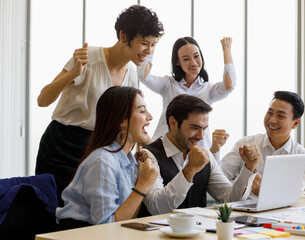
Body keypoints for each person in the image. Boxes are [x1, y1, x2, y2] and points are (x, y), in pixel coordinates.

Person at [35, 5, 164, 206]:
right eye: (144, 44)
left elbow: (125, 121)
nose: (149, 51)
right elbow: (42, 100)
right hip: (62, 145)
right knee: (54, 212)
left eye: (154, 45)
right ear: (123, 36)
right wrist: (73, 74)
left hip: (97, 148)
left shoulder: (131, 74)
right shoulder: (89, 58)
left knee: (88, 214)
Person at [56, 86, 158, 229]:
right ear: (122, 120)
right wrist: (143, 185)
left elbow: (127, 219)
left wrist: (141, 180)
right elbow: (105, 227)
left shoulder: (129, 160)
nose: (150, 117)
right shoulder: (103, 162)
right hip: (79, 234)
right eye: (142, 111)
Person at [142, 94, 257, 215]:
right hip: (158, 233)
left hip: (200, 231)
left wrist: (248, 167)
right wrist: (189, 170)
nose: (201, 136)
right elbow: (156, 209)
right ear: (173, 123)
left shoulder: (205, 155)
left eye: (204, 128)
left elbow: (230, 199)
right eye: (194, 128)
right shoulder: (148, 155)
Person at [138, 36, 236, 153]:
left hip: (197, 150)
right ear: (177, 62)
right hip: (166, 150)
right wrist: (152, 45)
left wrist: (227, 49)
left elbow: (228, 86)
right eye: (186, 59)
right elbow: (143, 76)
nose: (193, 63)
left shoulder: (208, 89)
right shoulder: (168, 84)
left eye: (196, 56)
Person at [220, 91, 305, 197]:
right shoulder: (245, 144)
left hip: (279, 213)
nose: (272, 120)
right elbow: (219, 177)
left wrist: (264, 192)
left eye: (280, 116)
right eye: (270, 113)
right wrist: (215, 150)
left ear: (295, 123)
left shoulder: (304, 158)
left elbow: (291, 198)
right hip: (240, 211)